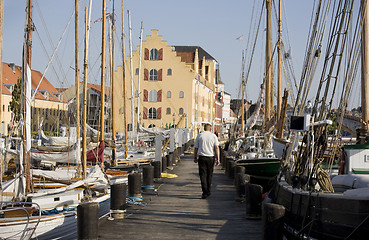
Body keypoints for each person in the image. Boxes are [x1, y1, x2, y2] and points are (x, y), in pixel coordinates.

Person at [194, 123, 220, 199]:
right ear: (210, 129)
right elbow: (216, 148)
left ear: (204, 128)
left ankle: (204, 192)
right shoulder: (213, 136)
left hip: (202, 157)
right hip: (211, 157)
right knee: (209, 174)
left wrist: (195, 157)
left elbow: (196, 148)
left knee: (203, 175)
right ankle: (208, 190)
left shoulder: (200, 135)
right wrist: (218, 158)